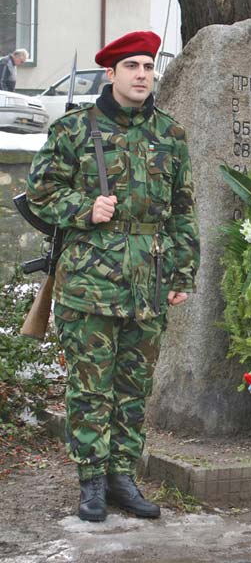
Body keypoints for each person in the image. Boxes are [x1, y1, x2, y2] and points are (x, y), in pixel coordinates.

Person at [26, 31, 200, 521]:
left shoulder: (170, 134)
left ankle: (122, 477)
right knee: (89, 389)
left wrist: (182, 273)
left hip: (149, 281)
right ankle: (91, 483)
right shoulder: (75, 130)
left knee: (133, 389)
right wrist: (85, 208)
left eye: (147, 66)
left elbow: (183, 209)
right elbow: (40, 193)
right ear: (111, 73)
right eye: (132, 67)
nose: (142, 75)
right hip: (89, 283)